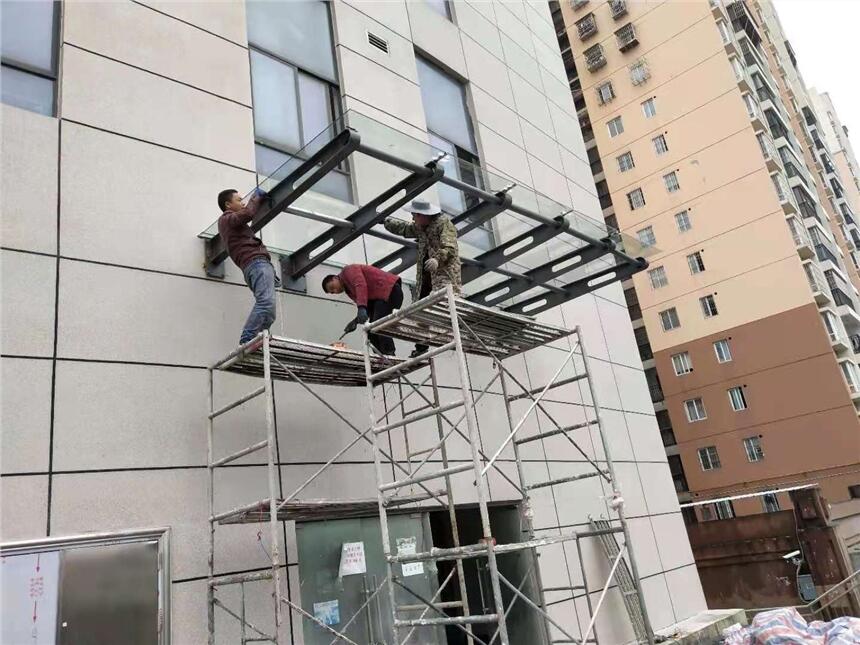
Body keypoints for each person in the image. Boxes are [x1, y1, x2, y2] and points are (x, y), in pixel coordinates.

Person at [383, 199, 461, 356]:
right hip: (426, 275)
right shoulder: (421, 227)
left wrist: (437, 259)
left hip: (443, 274)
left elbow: (450, 247)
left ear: (423, 215)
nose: (413, 218)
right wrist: (386, 222)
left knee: (446, 305)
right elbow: (404, 229)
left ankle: (455, 336)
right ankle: (421, 347)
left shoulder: (443, 224)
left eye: (414, 215)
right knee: (421, 309)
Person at [217, 187, 278, 345]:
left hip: (256, 265)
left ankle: (258, 341)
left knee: (270, 312)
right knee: (266, 303)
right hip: (256, 263)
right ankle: (248, 340)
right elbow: (248, 214)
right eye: (239, 200)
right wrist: (255, 198)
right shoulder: (226, 218)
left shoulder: (231, 224)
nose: (243, 203)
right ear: (227, 205)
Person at [322, 264, 403, 356]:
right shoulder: (349, 291)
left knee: (377, 323)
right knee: (370, 330)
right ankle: (381, 356)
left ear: (335, 278)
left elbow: (360, 285)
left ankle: (389, 353)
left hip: (390, 290)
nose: (335, 291)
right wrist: (355, 321)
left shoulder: (348, 271)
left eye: (333, 287)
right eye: (333, 292)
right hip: (380, 300)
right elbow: (367, 307)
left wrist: (361, 308)